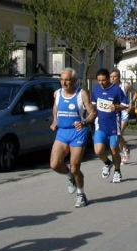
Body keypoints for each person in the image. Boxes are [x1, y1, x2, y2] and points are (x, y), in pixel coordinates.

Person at [50, 67, 96, 208]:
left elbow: (93, 113)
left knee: (75, 167)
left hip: (77, 133)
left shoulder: (81, 94)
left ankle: (81, 195)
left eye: (67, 80)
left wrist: (83, 122)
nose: (64, 83)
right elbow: (55, 107)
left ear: (75, 80)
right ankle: (70, 177)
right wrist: (55, 120)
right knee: (54, 164)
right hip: (62, 132)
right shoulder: (57, 93)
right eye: (62, 80)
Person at [92, 68, 128, 183]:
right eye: (99, 80)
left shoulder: (116, 90)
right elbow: (92, 105)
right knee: (98, 151)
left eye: (103, 80)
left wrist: (117, 107)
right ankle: (107, 163)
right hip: (100, 125)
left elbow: (125, 104)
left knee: (114, 149)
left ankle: (117, 171)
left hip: (113, 124)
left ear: (108, 79)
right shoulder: (96, 89)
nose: (101, 83)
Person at [110, 69, 137, 164]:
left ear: (119, 77)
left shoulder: (125, 85)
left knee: (118, 133)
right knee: (116, 133)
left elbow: (136, 92)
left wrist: (131, 102)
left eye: (114, 77)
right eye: (111, 77)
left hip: (124, 111)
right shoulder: (109, 87)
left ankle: (125, 151)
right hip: (114, 112)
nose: (112, 79)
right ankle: (125, 147)